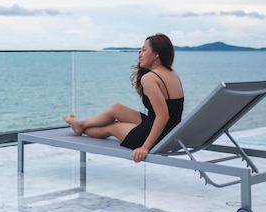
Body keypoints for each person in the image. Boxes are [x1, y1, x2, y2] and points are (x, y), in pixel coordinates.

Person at [63, 33, 184, 163]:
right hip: (171, 132)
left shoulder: (150, 78)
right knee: (116, 108)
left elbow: (163, 116)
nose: (139, 53)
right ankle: (81, 124)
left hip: (156, 136)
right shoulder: (171, 73)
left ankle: (81, 127)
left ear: (156, 54)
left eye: (144, 50)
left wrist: (144, 148)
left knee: (113, 127)